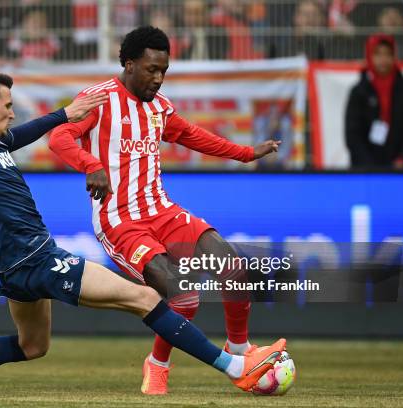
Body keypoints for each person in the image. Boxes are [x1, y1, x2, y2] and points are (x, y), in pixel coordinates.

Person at [0, 69, 286, 395]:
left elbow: (24, 134)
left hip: (12, 266)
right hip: (36, 256)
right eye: (7, 104)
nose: (12, 112)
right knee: (148, 297)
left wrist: (65, 115)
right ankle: (236, 367)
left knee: (33, 347)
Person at [48, 26, 281, 395]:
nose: (158, 79)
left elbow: (194, 135)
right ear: (129, 64)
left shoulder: (160, 108)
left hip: (162, 211)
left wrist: (247, 153)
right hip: (120, 221)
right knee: (181, 291)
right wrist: (90, 165)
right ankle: (158, 363)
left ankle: (240, 349)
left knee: (232, 266)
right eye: (151, 69)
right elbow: (59, 136)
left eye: (163, 71)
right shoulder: (98, 99)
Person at [345, 34, 403, 169]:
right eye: (377, 54)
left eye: (388, 54)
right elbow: (352, 135)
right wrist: (370, 167)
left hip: (402, 168)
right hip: (365, 170)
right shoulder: (359, 91)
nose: (383, 59)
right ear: (369, 56)